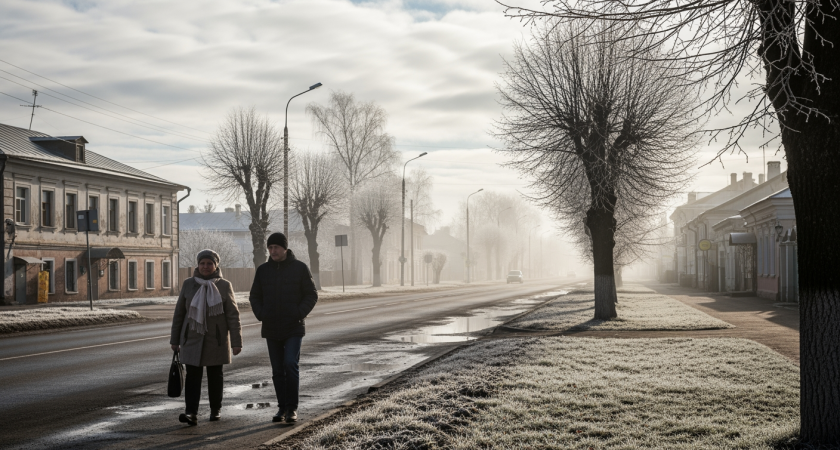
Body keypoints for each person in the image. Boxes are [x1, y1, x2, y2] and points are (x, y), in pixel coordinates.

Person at [249, 232, 318, 424]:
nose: (273, 251)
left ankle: (292, 408)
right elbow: (254, 296)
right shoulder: (263, 270)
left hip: (293, 327)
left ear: (285, 248)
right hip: (271, 327)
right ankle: (282, 408)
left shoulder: (299, 268)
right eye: (270, 248)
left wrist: (298, 312)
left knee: (290, 364)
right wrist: (262, 314)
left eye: (276, 247)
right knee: (278, 370)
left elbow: (311, 294)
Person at [170, 249, 242, 426]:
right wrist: (175, 340)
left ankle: (215, 409)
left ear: (216, 266)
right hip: (191, 338)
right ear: (198, 265)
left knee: (215, 376)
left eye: (210, 263)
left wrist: (236, 342)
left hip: (216, 340)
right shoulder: (188, 284)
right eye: (202, 263)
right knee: (192, 377)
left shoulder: (224, 285)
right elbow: (179, 314)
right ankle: (191, 413)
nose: (205, 266)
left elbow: (233, 316)